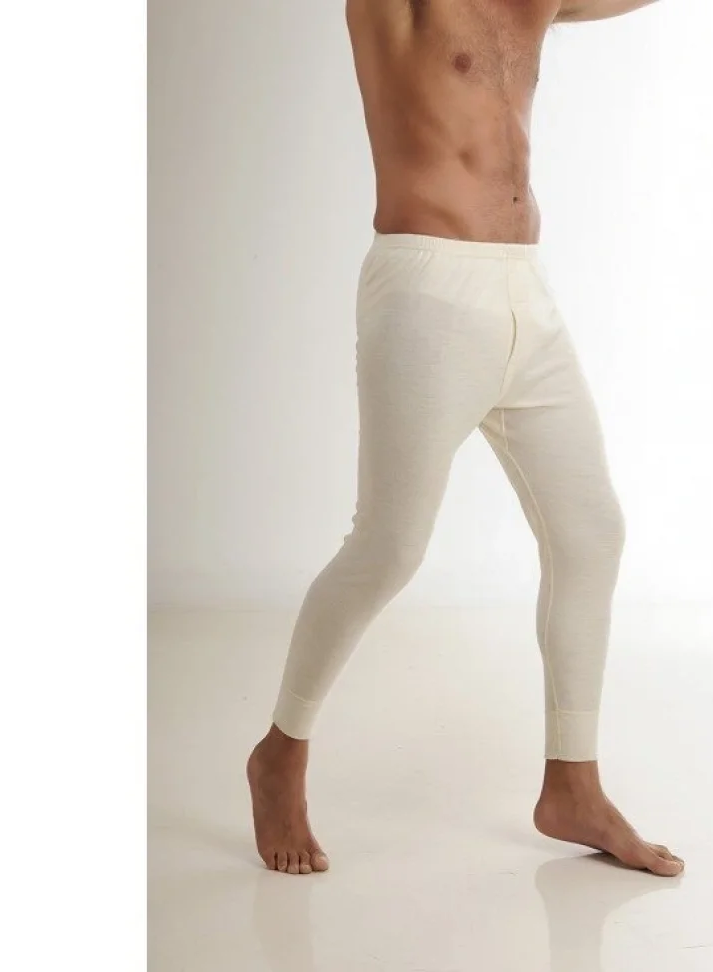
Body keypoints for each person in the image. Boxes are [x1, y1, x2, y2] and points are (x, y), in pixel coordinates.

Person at [247, 0, 684, 878]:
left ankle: (572, 784)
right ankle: (280, 752)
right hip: (428, 292)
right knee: (388, 548)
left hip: (526, 294)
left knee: (590, 533)